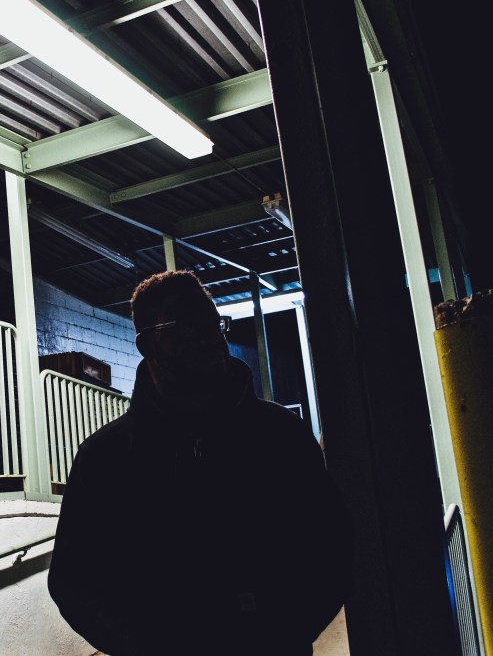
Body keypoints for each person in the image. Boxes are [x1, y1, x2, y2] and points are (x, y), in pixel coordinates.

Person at [47, 270, 352, 655]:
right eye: (185, 325)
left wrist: (282, 632)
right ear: (146, 344)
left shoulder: (280, 435)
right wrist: (143, 646)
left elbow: (333, 547)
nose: (209, 336)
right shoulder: (104, 459)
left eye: (212, 322)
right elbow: (73, 581)